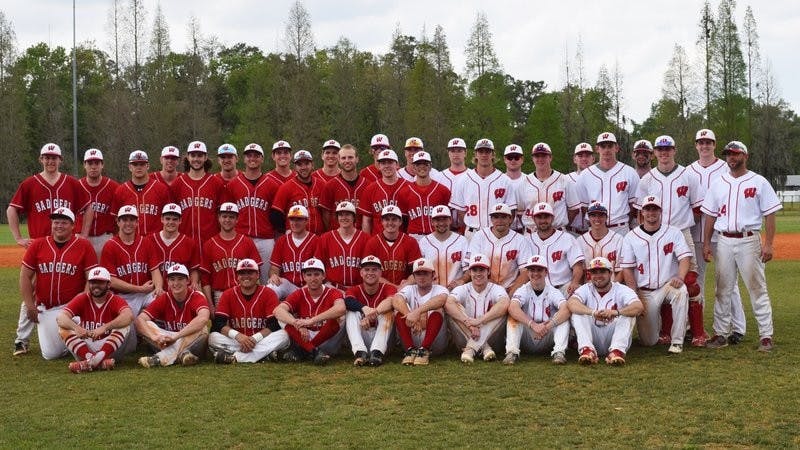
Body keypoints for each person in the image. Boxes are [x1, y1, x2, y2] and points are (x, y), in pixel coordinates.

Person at [9, 143, 92, 355]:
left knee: (78, 282)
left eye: (54, 157)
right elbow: (12, 209)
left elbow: (88, 206)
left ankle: (84, 326)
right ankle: (21, 339)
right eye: (46, 157)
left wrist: (83, 233)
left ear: (60, 160)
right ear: (40, 159)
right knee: (34, 292)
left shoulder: (71, 183)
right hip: (41, 246)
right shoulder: (30, 183)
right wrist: (18, 237)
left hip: (69, 244)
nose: (50, 161)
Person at [701, 141, 782, 352]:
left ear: (745, 156)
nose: (731, 157)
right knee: (722, 289)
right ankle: (720, 333)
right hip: (724, 240)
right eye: (728, 154)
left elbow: (770, 214)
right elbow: (710, 215)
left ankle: (766, 335)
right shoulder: (719, 183)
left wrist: (769, 244)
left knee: (757, 288)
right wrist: (707, 243)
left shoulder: (758, 181)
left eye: (735, 154)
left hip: (749, 239)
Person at [634, 135, 706, 346]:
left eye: (668, 149)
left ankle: (698, 332)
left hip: (681, 231)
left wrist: (683, 226)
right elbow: (640, 211)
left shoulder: (689, 175)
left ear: (674, 150)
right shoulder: (647, 179)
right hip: (655, 234)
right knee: (663, 281)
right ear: (654, 153)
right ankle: (667, 331)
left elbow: (698, 208)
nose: (664, 153)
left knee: (690, 283)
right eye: (660, 149)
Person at [688, 129, 746, 344]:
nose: (704, 146)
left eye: (708, 142)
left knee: (729, 283)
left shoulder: (726, 168)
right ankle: (695, 328)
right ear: (696, 145)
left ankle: (738, 328)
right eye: (701, 142)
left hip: (722, 234)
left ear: (714, 144)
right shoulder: (688, 171)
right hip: (696, 234)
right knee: (696, 283)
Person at [19, 207, 98, 359]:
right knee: (50, 354)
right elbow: (24, 276)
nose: (59, 226)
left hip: (73, 309)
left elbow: (91, 278)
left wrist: (83, 302)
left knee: (89, 339)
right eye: (56, 222)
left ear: (73, 225)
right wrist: (30, 306)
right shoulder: (38, 245)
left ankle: (70, 337)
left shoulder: (84, 246)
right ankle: (69, 339)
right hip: (46, 309)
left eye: (64, 222)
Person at [620, 195, 691, 354]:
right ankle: (656, 332)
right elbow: (627, 269)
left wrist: (680, 277)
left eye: (655, 209)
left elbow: (685, 257)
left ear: (660, 211)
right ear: (642, 212)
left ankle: (677, 341)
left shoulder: (673, 232)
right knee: (649, 341)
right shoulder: (631, 236)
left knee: (681, 291)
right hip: (644, 292)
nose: (651, 212)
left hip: (667, 285)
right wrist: (633, 293)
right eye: (647, 209)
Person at [208, 259, 290, 364]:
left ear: (257, 275)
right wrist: (238, 336)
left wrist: (254, 338)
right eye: (242, 273)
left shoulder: (268, 293)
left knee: (284, 335)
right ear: (237, 276)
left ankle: (235, 358)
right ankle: (264, 355)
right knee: (213, 338)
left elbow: (274, 324)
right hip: (237, 341)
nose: (246, 276)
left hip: (261, 339)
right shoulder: (228, 294)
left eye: (250, 272)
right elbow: (218, 323)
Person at [567, 257, 644, 365]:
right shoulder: (586, 288)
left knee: (628, 314)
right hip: (593, 337)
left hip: (614, 335)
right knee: (578, 314)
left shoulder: (621, 289)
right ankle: (587, 350)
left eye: (602, 271)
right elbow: (571, 303)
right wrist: (592, 312)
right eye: (594, 272)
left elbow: (638, 306)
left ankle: (616, 352)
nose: (598, 276)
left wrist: (616, 312)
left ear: (610, 273)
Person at [56, 267, 133, 373]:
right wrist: (76, 328)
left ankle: (90, 363)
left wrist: (105, 327)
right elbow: (60, 317)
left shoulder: (115, 299)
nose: (96, 285)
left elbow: (128, 316)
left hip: (109, 349)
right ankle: (97, 361)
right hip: (84, 348)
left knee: (125, 325)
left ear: (108, 284)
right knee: (63, 326)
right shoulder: (82, 298)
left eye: (100, 282)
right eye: (93, 282)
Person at [273, 258, 346, 365]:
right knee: (282, 318)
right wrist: (297, 324)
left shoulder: (332, 291)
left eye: (316, 274)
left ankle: (303, 351)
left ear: (323, 276)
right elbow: (277, 310)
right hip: (306, 336)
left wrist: (311, 321)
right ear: (304, 277)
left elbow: (341, 308)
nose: (313, 278)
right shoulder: (299, 293)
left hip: (328, 338)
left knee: (344, 315)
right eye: (309, 275)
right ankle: (313, 351)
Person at [226, 142, 281, 285]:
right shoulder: (233, 184)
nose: (252, 158)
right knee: (239, 278)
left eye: (256, 156)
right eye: (249, 155)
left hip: (265, 239)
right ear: (244, 159)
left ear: (262, 159)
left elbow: (277, 214)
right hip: (241, 238)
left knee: (267, 281)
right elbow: (227, 214)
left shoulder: (272, 184)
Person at [135, 263, 210, 368]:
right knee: (146, 324)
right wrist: (155, 337)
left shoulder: (197, 296)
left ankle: (159, 358)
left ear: (187, 281)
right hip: (168, 340)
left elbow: (203, 318)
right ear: (167, 282)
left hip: (191, 341)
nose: (176, 283)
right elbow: (140, 320)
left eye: (180, 279)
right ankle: (183, 355)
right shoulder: (164, 298)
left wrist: (176, 337)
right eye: (172, 279)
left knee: (203, 329)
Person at [502, 255, 571, 365]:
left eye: (539, 270)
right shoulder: (523, 290)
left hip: (546, 335)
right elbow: (512, 307)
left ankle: (559, 352)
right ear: (527, 272)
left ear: (546, 272)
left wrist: (548, 326)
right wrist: (533, 325)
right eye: (532, 270)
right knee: (513, 317)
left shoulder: (553, 291)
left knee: (563, 320)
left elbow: (566, 309)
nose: (535, 273)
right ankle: (511, 352)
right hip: (528, 335)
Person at [444, 253, 510, 363]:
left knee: (502, 311)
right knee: (453, 309)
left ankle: (470, 350)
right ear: (470, 272)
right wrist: (469, 325)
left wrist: (479, 321)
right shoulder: (463, 288)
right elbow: (448, 303)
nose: (478, 273)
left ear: (488, 271)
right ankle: (484, 347)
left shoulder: (496, 288)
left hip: (493, 339)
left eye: (481, 270)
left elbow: (504, 303)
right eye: (474, 270)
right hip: (465, 335)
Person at [449, 138, 515, 241]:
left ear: (493, 154)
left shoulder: (505, 180)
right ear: (475, 154)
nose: (484, 155)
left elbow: (511, 211)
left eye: (487, 151)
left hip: (498, 233)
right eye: (481, 151)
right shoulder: (464, 179)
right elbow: (461, 211)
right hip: (472, 233)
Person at [574, 132, 639, 236]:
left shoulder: (629, 172)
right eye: (603, 146)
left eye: (610, 146)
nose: (606, 150)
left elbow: (633, 205)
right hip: (595, 229)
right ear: (597, 149)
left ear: (616, 148)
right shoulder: (585, 175)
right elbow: (584, 207)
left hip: (620, 228)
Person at [101, 206, 162, 316]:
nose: (128, 223)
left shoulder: (146, 242)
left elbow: (155, 271)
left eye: (132, 220)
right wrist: (139, 289)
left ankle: (168, 332)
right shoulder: (110, 246)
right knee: (129, 324)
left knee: (165, 301)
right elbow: (111, 280)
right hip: (123, 296)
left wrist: (158, 287)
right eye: (124, 220)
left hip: (146, 294)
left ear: (137, 222)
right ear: (118, 222)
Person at [389, 258, 449, 366]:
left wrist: (416, 313)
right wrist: (409, 315)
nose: (421, 277)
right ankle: (410, 350)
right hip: (412, 336)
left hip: (435, 342)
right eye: (418, 273)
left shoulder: (440, 289)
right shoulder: (410, 289)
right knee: (399, 311)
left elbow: (442, 299)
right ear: (414, 276)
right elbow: (396, 299)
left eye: (425, 273)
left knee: (438, 309)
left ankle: (424, 350)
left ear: (433, 274)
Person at [200, 203, 261, 306]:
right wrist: (210, 305)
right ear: (219, 218)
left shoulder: (247, 242)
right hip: (220, 294)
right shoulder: (209, 244)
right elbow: (205, 279)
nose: (227, 220)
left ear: (237, 220)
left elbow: (256, 272)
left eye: (231, 217)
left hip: (244, 292)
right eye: (224, 216)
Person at [343, 255, 397, 366]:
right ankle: (360, 353)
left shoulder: (388, 287)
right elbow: (348, 301)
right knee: (351, 312)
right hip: (362, 335)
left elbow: (391, 301)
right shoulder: (354, 289)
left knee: (387, 312)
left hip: (384, 340)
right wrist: (364, 309)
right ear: (361, 273)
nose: (370, 272)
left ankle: (377, 353)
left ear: (380, 273)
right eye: (366, 269)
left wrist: (374, 312)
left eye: (374, 269)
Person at [467, 203, 531, 294]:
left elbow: (525, 272)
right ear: (491, 219)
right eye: (496, 217)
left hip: (510, 289)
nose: (499, 220)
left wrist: (510, 294)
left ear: (510, 219)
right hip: (483, 288)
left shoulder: (520, 240)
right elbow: (472, 269)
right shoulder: (479, 236)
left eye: (503, 217)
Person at [173, 141, 228, 247]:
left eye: (200, 155)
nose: (196, 159)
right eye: (193, 155)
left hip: (211, 242)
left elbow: (224, 216)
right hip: (183, 242)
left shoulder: (216, 183)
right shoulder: (178, 183)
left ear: (205, 157)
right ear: (188, 157)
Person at [525, 202, 585, 299]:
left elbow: (577, 266)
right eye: (539, 217)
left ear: (552, 218)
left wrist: (574, 282)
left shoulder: (567, 238)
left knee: (579, 295)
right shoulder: (527, 241)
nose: (543, 220)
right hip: (536, 289)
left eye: (546, 217)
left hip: (563, 287)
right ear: (534, 219)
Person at [517, 142, 575, 233]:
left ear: (550, 157)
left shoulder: (564, 180)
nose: (540, 159)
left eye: (544, 155)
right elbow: (520, 212)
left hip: (558, 232)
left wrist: (560, 224)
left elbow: (573, 210)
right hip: (531, 233)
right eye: (537, 156)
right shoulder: (524, 183)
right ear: (533, 158)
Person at [112, 150, 172, 236]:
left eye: (142, 164)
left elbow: (169, 218)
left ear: (147, 166)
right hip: (130, 242)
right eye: (135, 164)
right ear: (130, 167)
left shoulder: (161, 189)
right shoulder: (121, 190)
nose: (139, 167)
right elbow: (115, 221)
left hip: (155, 241)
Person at [144, 204, 202, 292]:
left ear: (180, 221)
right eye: (168, 219)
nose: (171, 222)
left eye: (175, 219)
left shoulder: (189, 243)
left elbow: (193, 269)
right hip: (154, 291)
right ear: (162, 219)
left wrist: (194, 282)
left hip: (181, 292)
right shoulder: (149, 240)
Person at [396, 150, 451, 239]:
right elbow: (402, 222)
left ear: (430, 166)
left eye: (425, 164)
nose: (422, 167)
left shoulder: (443, 190)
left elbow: (448, 219)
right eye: (418, 164)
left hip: (437, 236)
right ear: (413, 167)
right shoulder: (404, 192)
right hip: (413, 237)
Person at [363, 205, 422, 288]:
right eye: (387, 219)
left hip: (405, 289)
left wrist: (407, 284)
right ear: (382, 222)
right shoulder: (372, 243)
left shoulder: (411, 242)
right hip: (379, 290)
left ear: (400, 222)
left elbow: (417, 271)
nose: (390, 223)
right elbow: (369, 273)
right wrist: (395, 287)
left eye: (394, 219)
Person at [316, 202, 369, 291]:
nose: (344, 218)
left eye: (347, 214)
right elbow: (318, 266)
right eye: (341, 215)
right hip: (333, 288)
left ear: (354, 217)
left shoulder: (366, 238)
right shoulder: (325, 238)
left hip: (359, 289)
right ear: (337, 218)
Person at [268, 205, 319, 299]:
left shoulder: (316, 240)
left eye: (299, 219)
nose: (295, 223)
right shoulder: (282, 241)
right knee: (271, 287)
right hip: (288, 285)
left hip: (310, 286)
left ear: (306, 221)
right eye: (292, 219)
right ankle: (273, 313)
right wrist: (274, 275)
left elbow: (319, 272)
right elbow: (274, 268)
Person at [271, 150, 325, 235]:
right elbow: (276, 214)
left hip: (319, 236)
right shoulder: (286, 187)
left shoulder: (322, 185)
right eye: (299, 164)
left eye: (307, 163)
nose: (303, 167)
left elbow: (327, 212)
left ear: (312, 165)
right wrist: (286, 229)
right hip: (296, 237)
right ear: (295, 167)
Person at [78, 148, 119, 260]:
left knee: (105, 274)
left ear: (102, 165)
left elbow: (118, 217)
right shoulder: (76, 186)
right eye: (90, 163)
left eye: (97, 163)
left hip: (104, 238)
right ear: (84, 165)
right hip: (80, 237)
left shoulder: (114, 187)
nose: (93, 166)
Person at [357, 149, 408, 235]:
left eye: (390, 162)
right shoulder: (370, 189)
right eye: (383, 163)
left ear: (397, 165)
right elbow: (366, 221)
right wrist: (368, 243)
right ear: (379, 166)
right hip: (377, 242)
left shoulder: (408, 187)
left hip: (402, 242)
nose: (387, 166)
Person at [319, 144, 369, 230]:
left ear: (357, 159)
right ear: (338, 160)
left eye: (350, 157)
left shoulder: (368, 185)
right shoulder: (330, 185)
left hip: (360, 235)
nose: (347, 161)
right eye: (343, 158)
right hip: (337, 236)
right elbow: (325, 216)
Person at [417, 205, 468, 290]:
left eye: (444, 219)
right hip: (431, 290)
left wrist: (462, 280)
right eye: (437, 220)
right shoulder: (424, 242)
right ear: (432, 222)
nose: (441, 223)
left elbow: (468, 269)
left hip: (455, 290)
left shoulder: (462, 241)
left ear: (450, 220)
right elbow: (420, 271)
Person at [578, 202, 624, 280]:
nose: (597, 219)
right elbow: (579, 270)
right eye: (593, 215)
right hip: (588, 287)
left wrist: (614, 289)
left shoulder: (618, 239)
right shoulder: (580, 241)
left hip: (612, 286)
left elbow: (621, 270)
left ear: (607, 217)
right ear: (588, 218)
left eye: (601, 215)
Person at [565, 142, 595, 236]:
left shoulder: (599, 179)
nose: (584, 158)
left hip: (592, 231)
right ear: (575, 159)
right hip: (570, 231)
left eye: (587, 156)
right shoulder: (565, 179)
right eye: (580, 156)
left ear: (593, 159)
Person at [502, 144, 527, 233]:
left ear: (522, 159)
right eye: (510, 157)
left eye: (516, 157)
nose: (513, 160)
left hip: (525, 229)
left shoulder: (529, 181)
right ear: (504, 159)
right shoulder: (499, 181)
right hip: (503, 230)